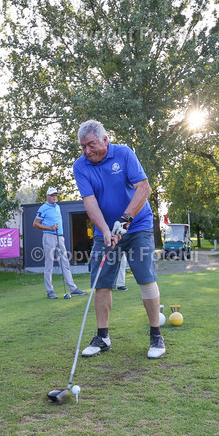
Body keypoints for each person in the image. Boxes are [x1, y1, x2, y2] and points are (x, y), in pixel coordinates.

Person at [72, 119, 165, 359]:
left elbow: (143, 188)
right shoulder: (80, 166)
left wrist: (125, 220)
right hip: (106, 231)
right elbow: (89, 202)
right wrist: (104, 230)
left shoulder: (124, 154)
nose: (86, 151)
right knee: (101, 283)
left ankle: (156, 336)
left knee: (146, 279)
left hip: (137, 227)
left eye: (91, 145)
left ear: (104, 140)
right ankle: (102, 337)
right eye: (83, 146)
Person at [33, 186, 89, 300]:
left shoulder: (57, 207)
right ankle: (50, 291)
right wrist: (50, 227)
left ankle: (73, 289)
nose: (55, 197)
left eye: (56, 195)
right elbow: (35, 224)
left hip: (60, 237)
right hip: (49, 236)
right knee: (49, 264)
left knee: (65, 263)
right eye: (52, 195)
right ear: (48, 196)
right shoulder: (43, 208)